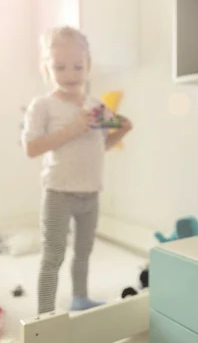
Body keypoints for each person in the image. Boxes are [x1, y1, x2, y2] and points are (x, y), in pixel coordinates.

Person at [21, 26, 133, 314]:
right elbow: (31, 148)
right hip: (58, 191)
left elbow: (101, 146)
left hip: (90, 192)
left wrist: (121, 131)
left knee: (83, 252)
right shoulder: (43, 105)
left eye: (77, 66)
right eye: (60, 67)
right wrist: (73, 128)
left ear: (89, 66)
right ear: (46, 68)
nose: (70, 74)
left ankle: (80, 298)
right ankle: (44, 312)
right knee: (53, 254)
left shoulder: (96, 106)